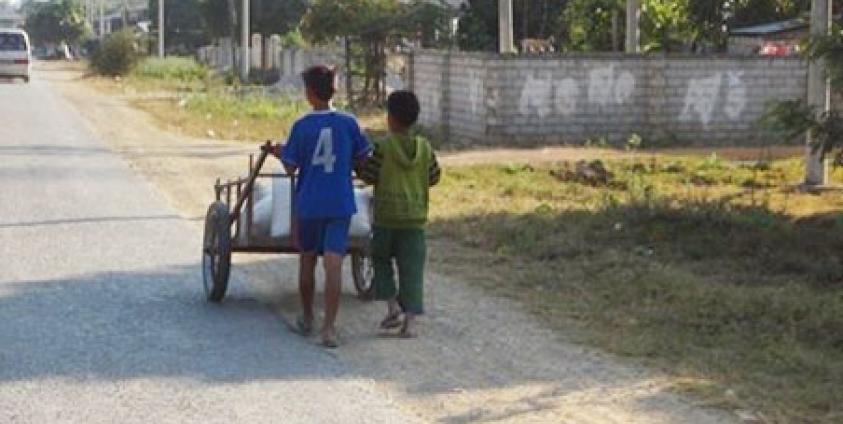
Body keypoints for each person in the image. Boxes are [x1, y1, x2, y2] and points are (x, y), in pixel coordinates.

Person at [277, 65, 371, 348]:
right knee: (333, 264)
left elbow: (291, 167)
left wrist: (280, 153)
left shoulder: (302, 126)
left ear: (308, 94)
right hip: (339, 201)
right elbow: (363, 158)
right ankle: (329, 328)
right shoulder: (349, 123)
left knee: (307, 260)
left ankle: (307, 316)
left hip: (309, 203)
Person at [359, 90, 441, 338]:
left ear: (390, 118)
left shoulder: (383, 147)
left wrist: (359, 166)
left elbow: (369, 175)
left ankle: (392, 306)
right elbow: (435, 176)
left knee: (381, 259)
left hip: (386, 218)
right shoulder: (425, 148)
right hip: (415, 220)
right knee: (412, 269)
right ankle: (410, 323)